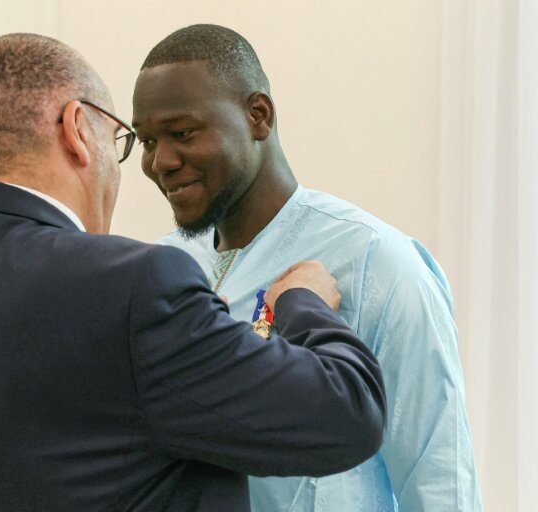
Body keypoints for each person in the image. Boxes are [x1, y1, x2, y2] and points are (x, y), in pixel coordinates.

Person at [0, 33, 386, 512]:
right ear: (77, 130)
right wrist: (300, 304)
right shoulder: (132, 287)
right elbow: (345, 416)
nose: (144, 167)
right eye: (126, 141)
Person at [132, 24, 482, 512]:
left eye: (181, 133)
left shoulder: (374, 261)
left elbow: (438, 476)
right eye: (146, 141)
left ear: (258, 116)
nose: (160, 161)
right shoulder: (164, 268)